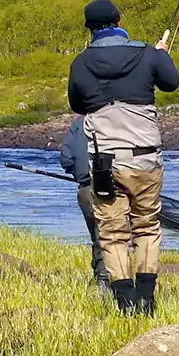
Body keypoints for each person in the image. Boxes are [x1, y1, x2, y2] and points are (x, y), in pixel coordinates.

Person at [67, 0, 179, 316]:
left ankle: (125, 303)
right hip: (146, 160)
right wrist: (161, 56)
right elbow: (171, 83)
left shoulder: (80, 62)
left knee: (113, 234)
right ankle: (146, 299)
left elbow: (78, 105)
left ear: (89, 29)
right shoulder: (148, 54)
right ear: (119, 20)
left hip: (105, 166)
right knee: (146, 228)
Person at [58, 114, 112, 295]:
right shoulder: (118, 117)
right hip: (112, 188)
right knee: (109, 235)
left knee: (97, 236)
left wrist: (79, 174)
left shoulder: (78, 123)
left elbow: (65, 159)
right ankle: (106, 281)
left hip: (85, 190)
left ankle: (101, 279)